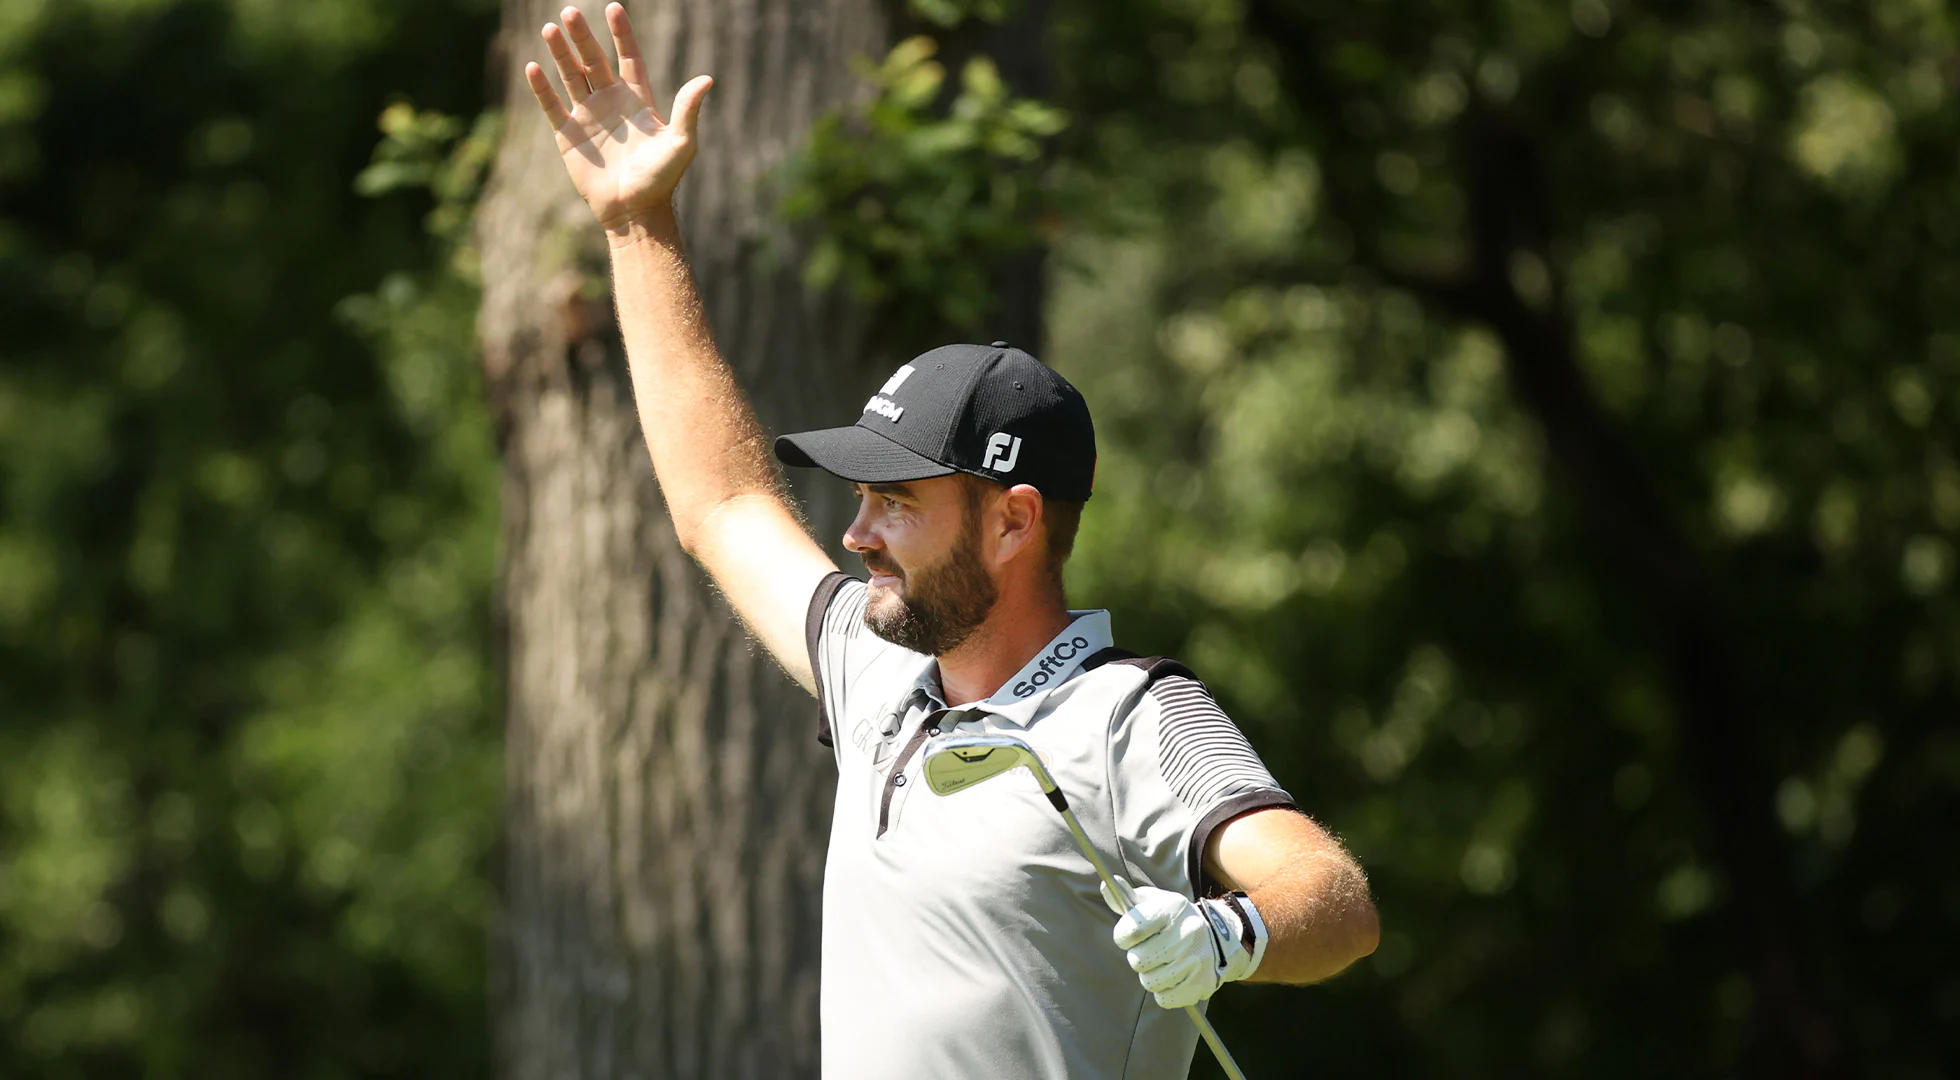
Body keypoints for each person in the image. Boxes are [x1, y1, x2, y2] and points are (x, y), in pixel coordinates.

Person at [524, 6, 1380, 1076]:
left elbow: (1333, 901)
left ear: (1013, 520)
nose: (857, 532)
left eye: (899, 503)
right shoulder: (879, 667)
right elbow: (723, 507)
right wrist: (637, 221)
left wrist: (1228, 934)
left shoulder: (1130, 714)